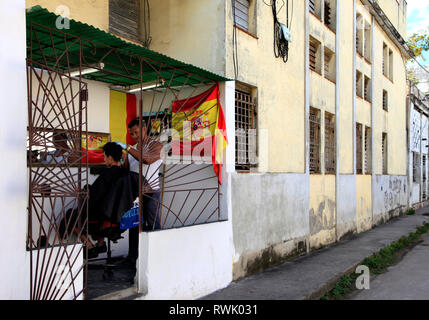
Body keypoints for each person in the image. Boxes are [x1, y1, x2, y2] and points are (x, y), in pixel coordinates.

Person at [60, 142, 139, 259]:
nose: (104, 159)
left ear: (110, 158)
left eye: (105, 156)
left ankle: (89, 246)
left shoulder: (106, 175)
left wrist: (85, 196)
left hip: (105, 220)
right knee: (100, 212)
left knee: (71, 215)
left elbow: (94, 198)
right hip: (122, 220)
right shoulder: (130, 175)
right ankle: (101, 244)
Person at [123, 118, 164, 263]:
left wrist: (128, 149)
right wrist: (123, 158)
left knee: (153, 224)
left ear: (144, 129)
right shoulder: (131, 150)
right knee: (134, 226)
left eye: (136, 132)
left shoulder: (157, 146)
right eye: (132, 133)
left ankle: (157, 256)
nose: (134, 136)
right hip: (135, 194)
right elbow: (126, 170)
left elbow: (147, 159)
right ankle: (133, 257)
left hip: (151, 191)